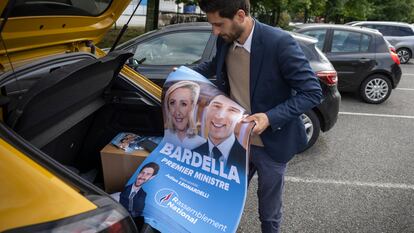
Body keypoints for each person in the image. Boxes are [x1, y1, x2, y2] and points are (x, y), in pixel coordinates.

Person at [194, 1, 322, 232]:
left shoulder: (280, 43)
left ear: (240, 15)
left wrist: (270, 117)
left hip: (271, 143)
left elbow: (312, 92)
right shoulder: (225, 38)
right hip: (234, 140)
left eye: (219, 24)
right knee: (224, 199)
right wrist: (184, 73)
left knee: (269, 210)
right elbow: (214, 66)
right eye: (212, 24)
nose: (215, 31)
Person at [194, 95, 246, 173]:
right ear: (206, 110)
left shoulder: (246, 158)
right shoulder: (192, 152)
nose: (220, 116)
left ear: (242, 118)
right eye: (216, 106)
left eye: (232, 110)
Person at [162, 80, 206, 149]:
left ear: (193, 106)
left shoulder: (202, 143)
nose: (177, 112)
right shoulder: (161, 138)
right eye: (172, 103)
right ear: (168, 106)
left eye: (183, 104)